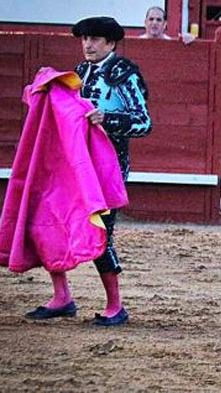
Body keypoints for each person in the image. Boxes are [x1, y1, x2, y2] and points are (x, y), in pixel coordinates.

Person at [24, 16, 152, 326]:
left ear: (110, 44)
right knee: (49, 221)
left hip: (107, 171)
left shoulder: (124, 74)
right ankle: (62, 297)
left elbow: (143, 122)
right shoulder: (79, 74)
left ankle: (115, 305)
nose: (87, 44)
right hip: (73, 168)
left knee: (100, 235)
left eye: (94, 39)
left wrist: (106, 118)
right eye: (84, 39)